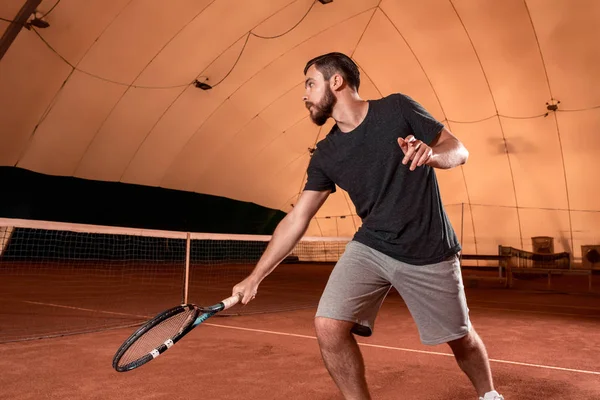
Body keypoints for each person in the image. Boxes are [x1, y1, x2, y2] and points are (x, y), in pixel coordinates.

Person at [232, 52, 504, 400]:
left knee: (460, 337)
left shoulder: (397, 109)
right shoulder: (326, 153)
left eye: (310, 84)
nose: (304, 94)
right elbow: (298, 217)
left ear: (336, 82)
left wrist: (432, 155)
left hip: (427, 247)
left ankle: (489, 395)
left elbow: (458, 149)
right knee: (328, 326)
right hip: (372, 246)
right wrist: (255, 277)